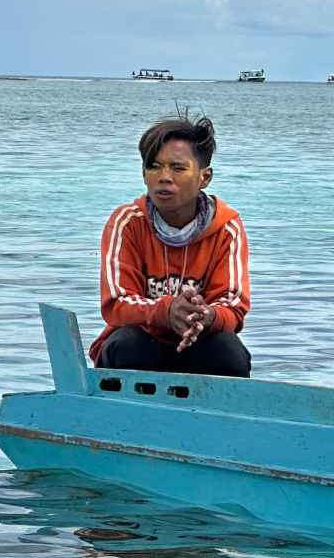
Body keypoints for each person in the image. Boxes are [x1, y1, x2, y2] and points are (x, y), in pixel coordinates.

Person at [88, 111, 252, 377]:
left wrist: (204, 316)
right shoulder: (127, 222)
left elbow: (233, 305)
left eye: (177, 168)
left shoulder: (227, 227)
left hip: (199, 341)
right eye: (154, 166)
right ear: (144, 174)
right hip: (142, 341)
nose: (164, 177)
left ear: (204, 177)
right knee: (126, 344)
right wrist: (167, 311)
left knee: (229, 352)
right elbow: (116, 304)